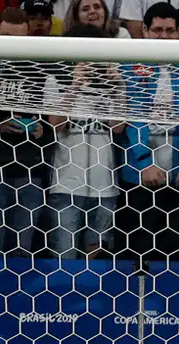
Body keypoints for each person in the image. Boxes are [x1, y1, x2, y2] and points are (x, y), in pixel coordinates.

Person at [116, 2, 179, 262]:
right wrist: (144, 163)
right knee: (139, 245)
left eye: (170, 30)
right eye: (158, 30)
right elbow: (134, 118)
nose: (164, 36)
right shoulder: (130, 68)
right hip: (138, 172)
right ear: (145, 30)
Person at [44, 24, 126, 260]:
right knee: (64, 256)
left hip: (105, 185)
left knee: (97, 260)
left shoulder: (109, 83)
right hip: (66, 185)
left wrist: (119, 87)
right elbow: (56, 123)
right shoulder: (56, 79)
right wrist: (74, 85)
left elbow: (117, 126)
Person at [0, 8, 51, 258]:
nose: (12, 46)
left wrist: (44, 129)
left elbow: (52, 115)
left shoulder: (39, 68)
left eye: (19, 39)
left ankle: (21, 298)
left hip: (30, 168)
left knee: (23, 248)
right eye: (7, 37)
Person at [62, 0, 131, 38]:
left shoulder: (121, 35)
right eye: (85, 9)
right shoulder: (68, 39)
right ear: (76, 17)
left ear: (105, 12)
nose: (92, 11)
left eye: (97, 7)